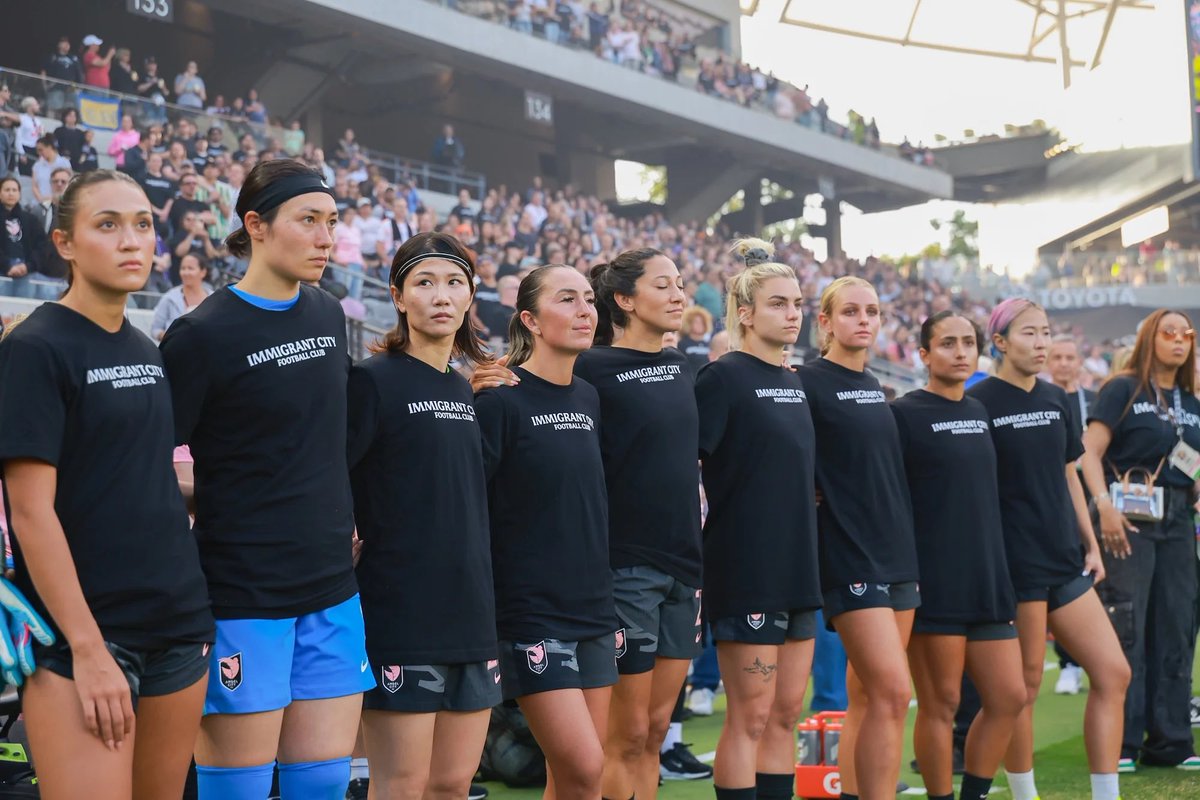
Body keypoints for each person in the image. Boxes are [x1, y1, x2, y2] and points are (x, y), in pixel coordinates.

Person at [159, 160, 374, 800]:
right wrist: (220, 499)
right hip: (243, 593)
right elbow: (148, 463)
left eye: (331, 222)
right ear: (255, 225)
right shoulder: (201, 335)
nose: (325, 238)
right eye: (308, 221)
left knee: (325, 784)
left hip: (333, 588)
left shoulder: (329, 314)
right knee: (240, 791)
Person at [0, 169, 215, 799]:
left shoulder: (148, 348)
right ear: (64, 243)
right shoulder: (36, 348)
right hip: (84, 638)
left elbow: (140, 480)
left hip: (178, 626)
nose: (132, 240)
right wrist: (88, 649)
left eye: (143, 224)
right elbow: (31, 514)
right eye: (108, 225)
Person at [346, 232, 498, 800]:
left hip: (471, 610)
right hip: (400, 612)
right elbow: (335, 477)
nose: (441, 295)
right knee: (401, 787)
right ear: (398, 296)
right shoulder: (371, 380)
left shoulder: (464, 388)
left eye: (454, 283)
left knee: (453, 784)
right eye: (425, 283)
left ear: (469, 298)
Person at [969, 298, 1130, 800]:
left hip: (1065, 558)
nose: (1041, 344)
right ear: (999, 342)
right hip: (1015, 564)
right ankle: (1024, 794)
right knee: (1026, 686)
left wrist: (1091, 543)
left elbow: (1068, 476)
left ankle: (1106, 794)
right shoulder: (979, 403)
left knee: (1113, 672)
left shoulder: (1057, 398)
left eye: (1045, 333)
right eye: (1029, 334)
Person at [475, 264, 617, 800]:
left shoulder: (587, 396)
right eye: (567, 300)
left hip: (593, 606)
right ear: (530, 319)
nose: (585, 310)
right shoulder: (499, 398)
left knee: (579, 777)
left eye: (588, 299)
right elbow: (473, 506)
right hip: (530, 610)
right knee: (581, 767)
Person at [698, 241, 820, 800]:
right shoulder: (721, 379)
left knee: (785, 714)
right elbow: (687, 466)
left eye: (797, 304)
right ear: (745, 313)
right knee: (749, 716)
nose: (793, 314)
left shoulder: (797, 382)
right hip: (746, 568)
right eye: (778, 303)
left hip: (799, 567)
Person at [891, 311, 1025, 800]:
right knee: (941, 703)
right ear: (923, 355)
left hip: (989, 576)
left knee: (1009, 696)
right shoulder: (903, 414)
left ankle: (974, 794)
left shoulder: (979, 409)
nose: (961, 352)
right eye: (947, 344)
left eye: (968, 342)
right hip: (934, 579)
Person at [797, 275, 920, 800]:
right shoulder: (805, 382)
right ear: (824, 321)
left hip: (896, 552)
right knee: (894, 691)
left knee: (868, 695)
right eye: (850, 311)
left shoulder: (877, 387)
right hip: (848, 554)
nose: (863, 320)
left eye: (871, 311)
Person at [1080, 309, 1200, 772]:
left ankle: (1171, 741)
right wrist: (1102, 506)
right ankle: (1124, 741)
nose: (1178, 340)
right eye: (1168, 332)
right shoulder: (1122, 388)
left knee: (1176, 625)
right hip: (1126, 518)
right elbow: (1089, 452)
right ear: (1150, 338)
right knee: (1125, 627)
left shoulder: (1191, 399)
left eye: (1186, 334)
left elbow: (1192, 462)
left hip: (1177, 520)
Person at [1047, 334, 1094, 695]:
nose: (1063, 363)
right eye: (1057, 357)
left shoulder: (1093, 402)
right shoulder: (1041, 400)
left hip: (1096, 497)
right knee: (1065, 583)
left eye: (1069, 357)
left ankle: (1091, 659)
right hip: (1055, 502)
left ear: (1080, 362)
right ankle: (1068, 664)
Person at [0, 176, 45, 298]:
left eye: (14, 190)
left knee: (23, 314)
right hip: (2, 272)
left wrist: (28, 266)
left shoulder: (30, 219)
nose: (11, 193)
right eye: (7, 190)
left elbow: (41, 245)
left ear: (19, 194)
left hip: (26, 271)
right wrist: (7, 266)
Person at [151, 253, 211, 339]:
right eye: (183, 268)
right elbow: (155, 329)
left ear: (203, 272)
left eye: (190, 268)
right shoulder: (170, 298)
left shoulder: (213, 298)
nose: (186, 272)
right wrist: (170, 338)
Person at [677, 305, 712, 373]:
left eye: (702, 322)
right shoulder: (682, 344)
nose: (700, 324)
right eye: (696, 322)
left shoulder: (709, 344)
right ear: (688, 323)